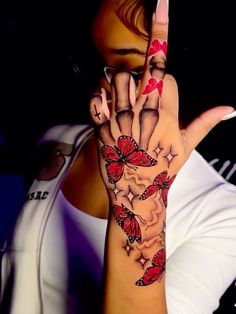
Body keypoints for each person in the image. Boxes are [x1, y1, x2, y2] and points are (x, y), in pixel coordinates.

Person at [1, 0, 236, 313]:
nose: (105, 84)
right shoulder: (58, 142)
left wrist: (138, 198)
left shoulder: (221, 213)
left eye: (135, 71)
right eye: (95, 62)